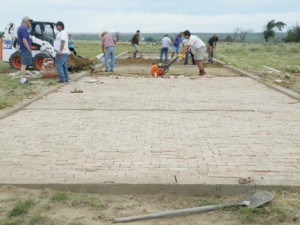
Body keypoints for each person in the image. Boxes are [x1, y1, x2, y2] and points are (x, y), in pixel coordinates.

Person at [17, 16, 32, 84]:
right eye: (29, 21)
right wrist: (28, 48)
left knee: (24, 64)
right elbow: (24, 40)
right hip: (25, 49)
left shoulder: (20, 28)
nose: (29, 23)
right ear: (25, 21)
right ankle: (23, 79)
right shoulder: (23, 28)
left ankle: (23, 78)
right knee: (24, 65)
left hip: (22, 49)